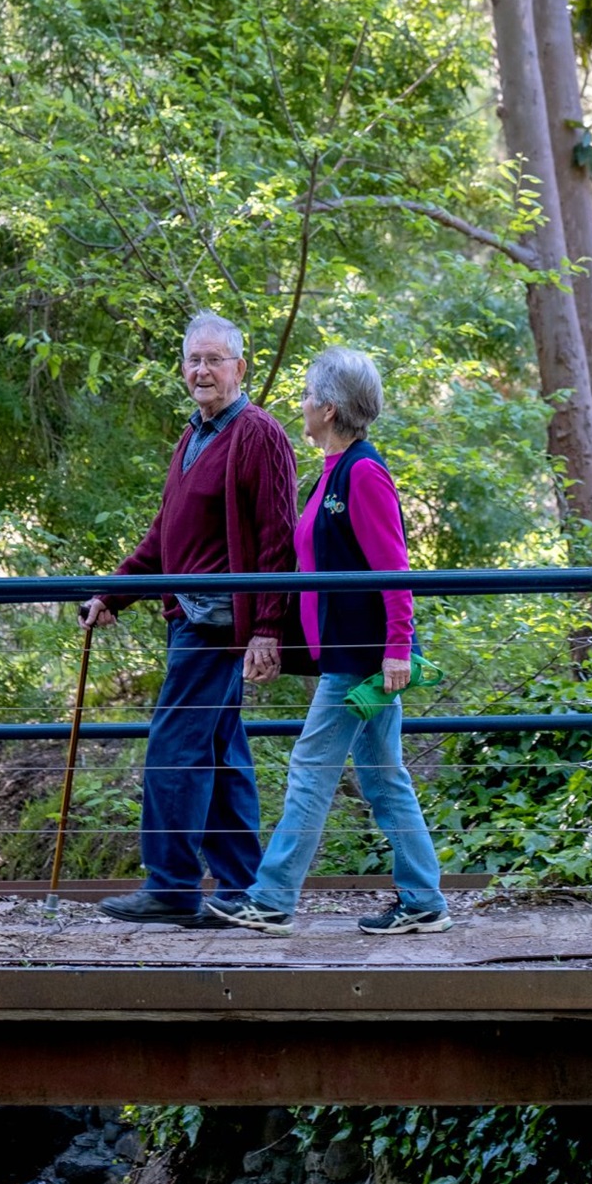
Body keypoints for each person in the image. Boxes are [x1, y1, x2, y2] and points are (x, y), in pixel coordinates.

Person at [208, 346, 451, 937]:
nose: (302, 404)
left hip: (360, 659)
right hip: (347, 655)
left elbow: (394, 567)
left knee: (310, 770)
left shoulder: (363, 472)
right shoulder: (334, 473)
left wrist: (400, 646)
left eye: (309, 395)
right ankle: (424, 901)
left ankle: (270, 900)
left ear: (332, 408)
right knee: (384, 778)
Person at [79, 311, 297, 928]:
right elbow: (163, 539)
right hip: (189, 615)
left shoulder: (257, 434)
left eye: (214, 360)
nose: (201, 371)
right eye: (193, 360)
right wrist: (113, 593)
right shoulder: (195, 435)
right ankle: (240, 885)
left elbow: (279, 539)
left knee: (175, 747)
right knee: (221, 753)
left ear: (239, 367)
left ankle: (172, 886)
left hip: (219, 623)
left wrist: (267, 629)